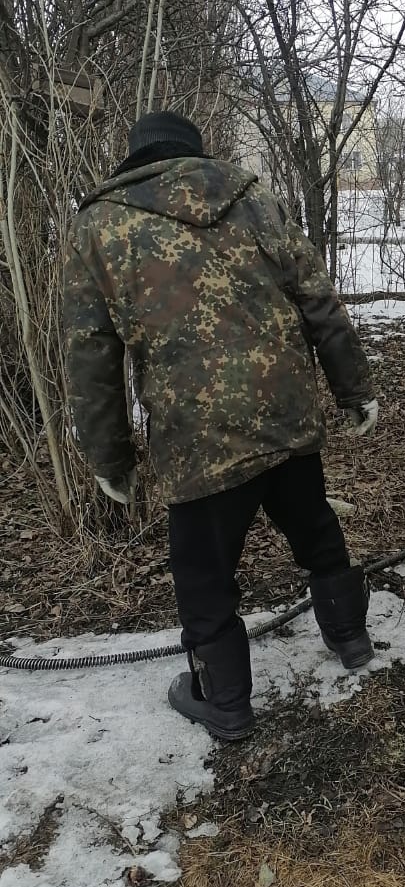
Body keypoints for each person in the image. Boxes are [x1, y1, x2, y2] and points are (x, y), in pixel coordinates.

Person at [63, 111, 379, 742]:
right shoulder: (253, 199)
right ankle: (351, 639)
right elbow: (319, 300)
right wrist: (354, 389)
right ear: (196, 153)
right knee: (316, 530)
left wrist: (109, 458)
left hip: (196, 435)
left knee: (205, 578)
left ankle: (224, 701)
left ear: (135, 158)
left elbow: (91, 352)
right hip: (284, 410)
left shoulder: (99, 226)